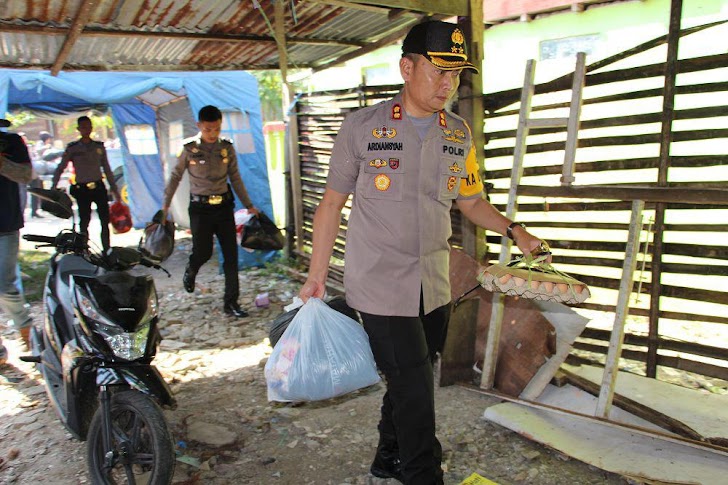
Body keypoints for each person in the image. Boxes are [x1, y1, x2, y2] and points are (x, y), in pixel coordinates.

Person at [298, 21, 548, 484]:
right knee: (415, 389)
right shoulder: (362, 128)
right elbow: (330, 204)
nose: (448, 84)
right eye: (440, 71)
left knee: (410, 375)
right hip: (378, 282)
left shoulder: (457, 134)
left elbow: (470, 201)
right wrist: (316, 276)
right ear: (407, 68)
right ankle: (421, 473)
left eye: (456, 75)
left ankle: (386, 458)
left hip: (432, 282)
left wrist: (516, 230)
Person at [162, 105, 259, 318]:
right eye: (208, 129)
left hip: (224, 207)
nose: (212, 134)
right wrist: (165, 206)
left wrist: (248, 204)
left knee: (231, 257)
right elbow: (175, 176)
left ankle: (231, 303)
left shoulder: (227, 148)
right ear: (199, 126)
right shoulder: (189, 149)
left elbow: (235, 177)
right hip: (200, 209)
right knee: (203, 251)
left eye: (216, 129)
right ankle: (191, 268)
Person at [51, 116, 120, 251]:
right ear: (78, 129)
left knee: (104, 220)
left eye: (88, 127)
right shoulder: (73, 148)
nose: (86, 130)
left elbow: (106, 168)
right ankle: (83, 249)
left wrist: (115, 190)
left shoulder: (99, 147)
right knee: (84, 222)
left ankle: (106, 249)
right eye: (83, 127)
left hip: (98, 187)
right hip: (82, 189)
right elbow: (61, 167)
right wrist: (54, 185)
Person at [0, 118, 34, 364]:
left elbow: (25, 175)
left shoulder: (12, 142)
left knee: (4, 284)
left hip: (6, 223)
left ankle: (26, 330)